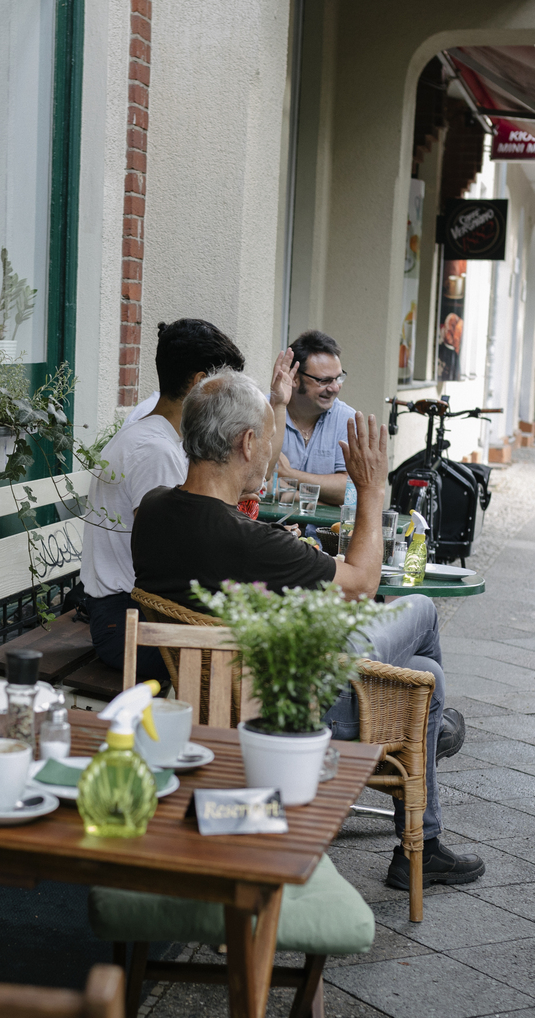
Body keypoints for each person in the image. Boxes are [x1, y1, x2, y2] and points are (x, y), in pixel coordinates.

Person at [131, 363, 483, 891]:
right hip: (290, 710)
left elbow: (223, 548)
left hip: (207, 692)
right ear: (247, 443)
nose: (274, 456)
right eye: (270, 441)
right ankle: (428, 806)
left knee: (424, 674)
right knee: (423, 614)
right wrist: (370, 489)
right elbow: (363, 581)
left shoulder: (153, 510)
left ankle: (428, 820)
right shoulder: (250, 544)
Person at [80, 319, 246, 686]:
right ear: (198, 382)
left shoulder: (159, 440)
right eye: (228, 389)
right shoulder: (154, 451)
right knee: (246, 668)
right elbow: (168, 562)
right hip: (127, 627)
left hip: (137, 615)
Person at [276, 329, 356, 505]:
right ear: (295, 378)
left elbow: (349, 490)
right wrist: (315, 499)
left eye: (338, 378)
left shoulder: (346, 418)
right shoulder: (265, 410)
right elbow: (255, 484)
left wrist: (288, 475)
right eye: (324, 381)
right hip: (268, 529)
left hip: (325, 533)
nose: (335, 388)